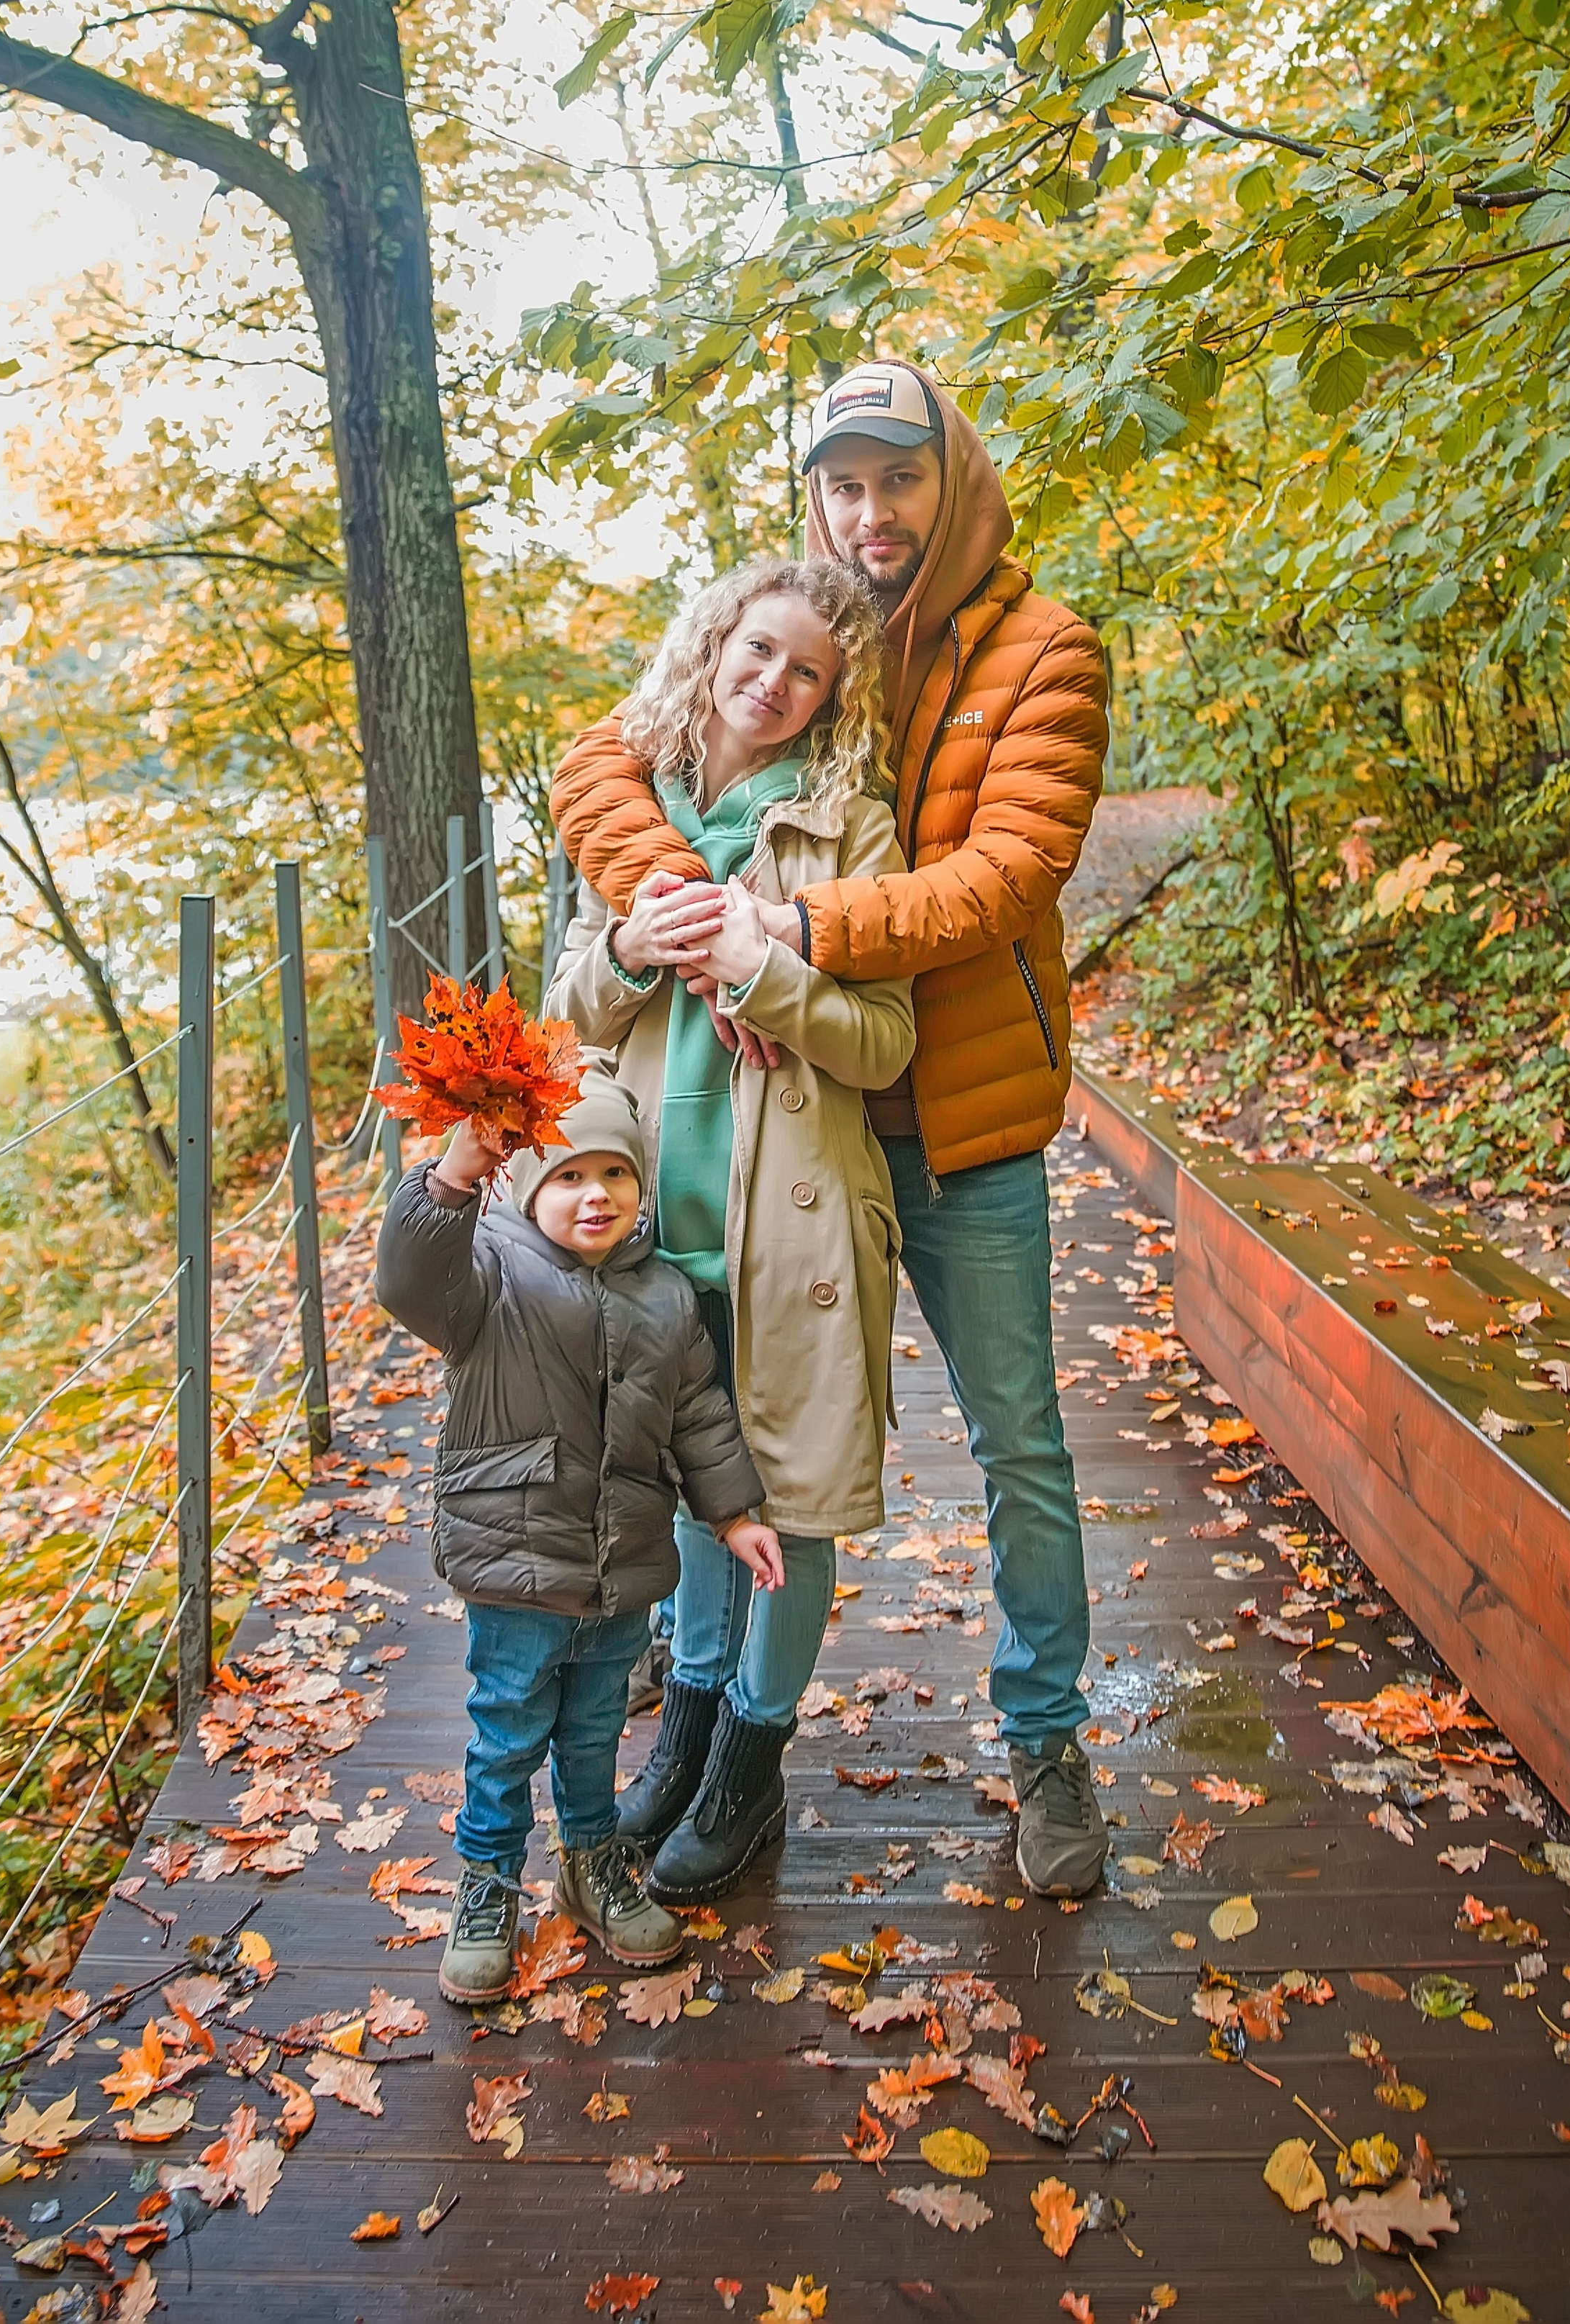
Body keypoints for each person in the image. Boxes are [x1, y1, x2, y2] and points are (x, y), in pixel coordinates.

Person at [550, 362, 1112, 1897]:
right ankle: (713, 1713)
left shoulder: (1043, 651)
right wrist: (677, 909)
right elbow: (604, 754)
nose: (871, 512)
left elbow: (998, 880)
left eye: (898, 480)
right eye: (844, 484)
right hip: (795, 1140)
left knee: (1018, 1444)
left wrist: (772, 930)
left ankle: (1046, 1741)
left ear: (953, 481)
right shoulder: (799, 630)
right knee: (726, 1433)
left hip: (961, 1118)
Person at [546, 554, 916, 1902]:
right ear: (714, 646)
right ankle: (690, 1729)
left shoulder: (848, 829)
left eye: (807, 670)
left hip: (798, 1230)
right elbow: (576, 1013)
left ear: (831, 698)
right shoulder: (640, 819)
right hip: (650, 1220)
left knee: (789, 1506)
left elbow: (886, 1043)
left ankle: (750, 1769)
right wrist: (636, 947)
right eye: (758, 651)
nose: (775, 682)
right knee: (698, 1499)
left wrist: (768, 973)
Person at [374, 1073, 776, 2002]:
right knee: (508, 1728)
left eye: (613, 1173)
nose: (594, 1193)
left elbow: (699, 1414)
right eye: (568, 1175)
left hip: (623, 1566)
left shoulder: (666, 1295)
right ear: (525, 1186)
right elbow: (405, 1279)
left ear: (640, 1186)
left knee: (595, 1730)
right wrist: (451, 1174)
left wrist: (734, 1512)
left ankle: (591, 1859)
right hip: (516, 1564)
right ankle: (486, 1883)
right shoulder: (486, 1274)